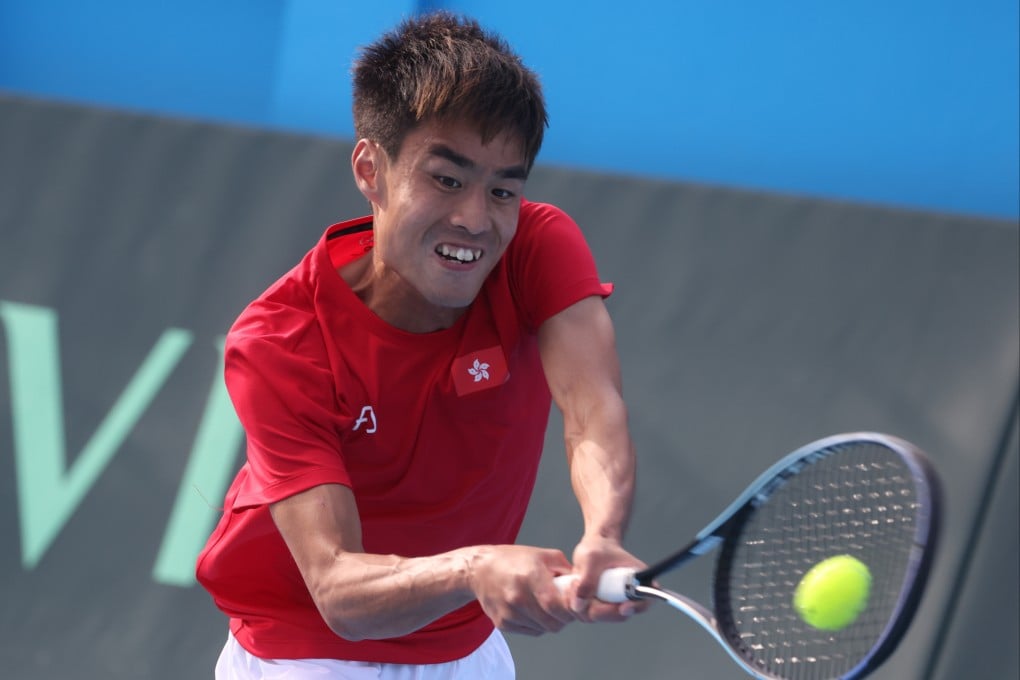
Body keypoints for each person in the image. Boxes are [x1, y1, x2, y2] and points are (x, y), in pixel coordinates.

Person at [196, 11, 644, 679]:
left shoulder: (536, 248)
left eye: (502, 191)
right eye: (446, 179)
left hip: (464, 645)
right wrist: (476, 566)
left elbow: (592, 410)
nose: (475, 219)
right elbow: (337, 589)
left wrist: (602, 534)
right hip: (307, 653)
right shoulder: (281, 342)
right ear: (371, 170)